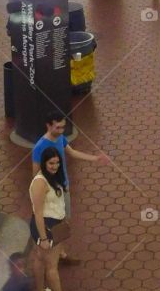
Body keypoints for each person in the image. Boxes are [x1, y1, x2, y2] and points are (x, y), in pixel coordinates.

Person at [31, 112, 110, 265]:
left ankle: (60, 253)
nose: (61, 130)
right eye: (58, 127)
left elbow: (72, 153)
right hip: (50, 193)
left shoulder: (60, 138)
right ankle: (53, 255)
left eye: (63, 127)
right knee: (53, 222)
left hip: (63, 188)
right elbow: (35, 174)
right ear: (48, 125)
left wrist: (95, 158)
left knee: (63, 221)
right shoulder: (39, 147)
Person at [29, 146, 77, 291]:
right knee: (51, 265)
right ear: (44, 162)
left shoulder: (50, 177)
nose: (55, 166)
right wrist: (43, 238)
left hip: (49, 225)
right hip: (48, 227)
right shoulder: (40, 182)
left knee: (39, 258)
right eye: (51, 163)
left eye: (57, 162)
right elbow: (38, 213)